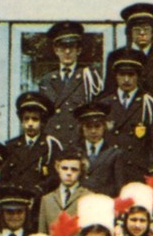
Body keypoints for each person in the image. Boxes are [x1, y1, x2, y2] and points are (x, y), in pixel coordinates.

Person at [104, 2, 153, 131]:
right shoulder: (116, 57)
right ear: (129, 32)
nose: (142, 33)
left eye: (146, 29)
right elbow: (110, 91)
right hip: (124, 123)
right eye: (136, 29)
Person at [106, 48, 153, 186]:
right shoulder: (104, 105)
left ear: (138, 76)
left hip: (138, 175)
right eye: (122, 74)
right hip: (109, 175)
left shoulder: (150, 104)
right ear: (115, 76)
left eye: (131, 75)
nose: (126, 79)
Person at [39, 20, 104, 151]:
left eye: (72, 47)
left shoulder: (88, 77)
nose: (67, 52)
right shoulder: (46, 81)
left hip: (79, 144)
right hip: (54, 144)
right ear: (56, 50)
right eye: (63, 48)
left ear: (78, 50)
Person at [2, 91, 64, 197]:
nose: (30, 124)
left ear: (42, 122)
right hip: (16, 200)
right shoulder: (11, 146)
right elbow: (4, 177)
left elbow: (55, 176)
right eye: (26, 119)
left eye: (35, 119)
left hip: (40, 199)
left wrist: (38, 189)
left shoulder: (51, 145)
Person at [38, 154, 91, 236]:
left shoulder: (88, 197)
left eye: (74, 169)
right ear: (58, 169)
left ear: (80, 172)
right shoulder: (47, 199)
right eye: (64, 168)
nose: (69, 173)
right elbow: (42, 234)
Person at [74, 102, 124, 198]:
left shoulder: (114, 154)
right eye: (88, 126)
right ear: (82, 128)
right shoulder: (75, 151)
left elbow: (119, 185)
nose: (93, 131)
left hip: (104, 203)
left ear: (104, 127)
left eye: (97, 126)